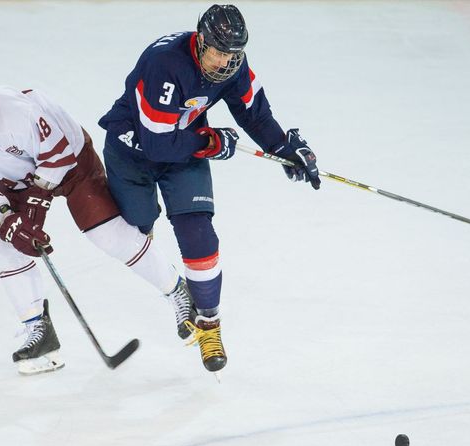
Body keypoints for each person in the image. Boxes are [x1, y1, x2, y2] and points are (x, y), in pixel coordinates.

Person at [98, 4, 321, 375]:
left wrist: (285, 148)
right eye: (217, 52)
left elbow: (254, 114)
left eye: (232, 55)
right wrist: (212, 142)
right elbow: (156, 145)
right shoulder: (164, 63)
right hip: (132, 151)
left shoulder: (232, 64)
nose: (224, 62)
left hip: (184, 152)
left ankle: (209, 325)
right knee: (137, 228)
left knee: (199, 236)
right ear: (200, 41)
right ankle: (174, 290)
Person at [0, 76, 198, 375]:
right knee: (4, 245)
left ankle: (177, 290)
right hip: (15, 181)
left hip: (71, 162)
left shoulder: (16, 112)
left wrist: (37, 202)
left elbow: (57, 154)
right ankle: (38, 330)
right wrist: (8, 221)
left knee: (106, 233)